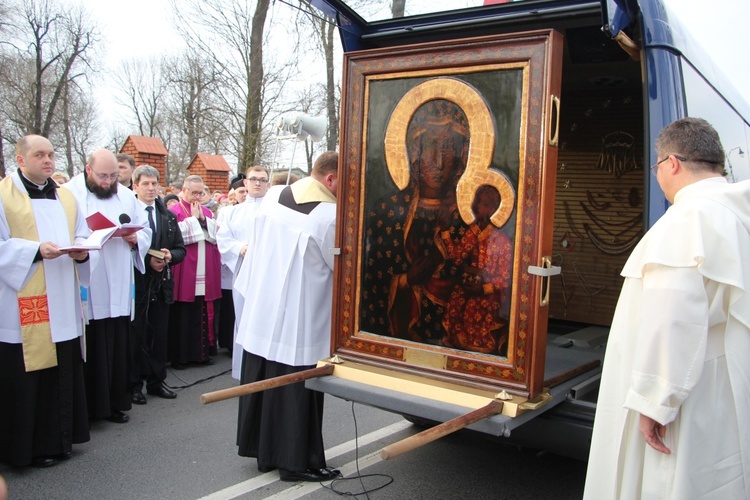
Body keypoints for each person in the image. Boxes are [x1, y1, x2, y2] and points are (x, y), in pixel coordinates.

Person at [583, 117, 750, 499]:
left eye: (657, 166)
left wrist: (655, 401)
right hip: (720, 384)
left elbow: (673, 318)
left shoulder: (687, 220)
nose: (657, 176)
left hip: (686, 395)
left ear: (672, 163)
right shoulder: (734, 217)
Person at [234, 151, 341, 482]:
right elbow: (341, 268)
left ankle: (263, 453)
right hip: (299, 318)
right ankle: (296, 461)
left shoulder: (275, 195)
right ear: (331, 179)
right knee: (296, 390)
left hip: (263, 308)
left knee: (265, 381)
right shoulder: (329, 215)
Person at [0, 135, 90, 467]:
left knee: (61, 368)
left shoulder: (66, 197)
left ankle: (60, 440)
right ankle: (27, 448)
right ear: (20, 159)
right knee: (29, 373)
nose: (48, 160)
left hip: (63, 295)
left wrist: (82, 249)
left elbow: (81, 231)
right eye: (40, 155)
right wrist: (36, 250)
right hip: (23, 302)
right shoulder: (3, 195)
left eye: (51, 155)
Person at [361, 99, 469, 344]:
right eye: (431, 146)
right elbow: (371, 282)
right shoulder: (387, 211)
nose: (439, 163)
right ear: (413, 152)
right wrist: (405, 280)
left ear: (462, 156)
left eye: (450, 148)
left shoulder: (464, 216)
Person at [63, 149, 151, 424]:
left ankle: (115, 403)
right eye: (103, 176)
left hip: (119, 278)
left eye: (114, 175)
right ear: (88, 170)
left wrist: (136, 240)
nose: (108, 181)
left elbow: (145, 228)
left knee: (117, 343)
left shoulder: (125, 195)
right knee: (93, 343)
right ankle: (88, 408)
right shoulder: (68, 194)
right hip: (90, 278)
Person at [129, 165, 186, 404]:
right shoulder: (129, 213)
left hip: (161, 283)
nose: (151, 188)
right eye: (146, 184)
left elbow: (180, 249)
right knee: (136, 335)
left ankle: (156, 381)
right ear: (135, 186)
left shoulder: (168, 215)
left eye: (155, 184)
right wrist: (147, 259)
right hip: (137, 283)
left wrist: (169, 256)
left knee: (159, 334)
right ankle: (133, 385)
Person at [439, 185, 513, 354]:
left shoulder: (500, 239)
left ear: (494, 210)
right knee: (456, 298)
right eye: (477, 201)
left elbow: (504, 277)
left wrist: (483, 288)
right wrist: (445, 231)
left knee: (475, 307)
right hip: (468, 285)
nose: (478, 206)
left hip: (487, 293)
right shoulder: (471, 232)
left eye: (485, 204)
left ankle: (475, 355)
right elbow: (457, 257)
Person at [216, 166, 270, 378]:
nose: (258, 183)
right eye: (254, 179)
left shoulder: (274, 211)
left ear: (268, 183)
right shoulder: (232, 212)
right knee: (244, 319)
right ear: (245, 183)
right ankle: (243, 369)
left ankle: (266, 368)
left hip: (267, 274)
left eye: (262, 180)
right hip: (242, 270)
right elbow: (223, 239)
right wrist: (241, 248)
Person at [168, 175, 222, 367]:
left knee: (202, 309)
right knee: (182, 313)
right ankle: (181, 357)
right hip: (185, 268)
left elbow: (216, 235)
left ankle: (201, 354)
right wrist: (195, 221)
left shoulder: (207, 211)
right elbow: (175, 236)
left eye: (201, 193)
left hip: (204, 268)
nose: (197, 197)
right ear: (184, 190)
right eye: (194, 193)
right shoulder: (173, 211)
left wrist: (203, 220)